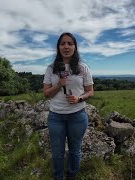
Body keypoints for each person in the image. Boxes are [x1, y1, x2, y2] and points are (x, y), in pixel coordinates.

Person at [43, 32, 94, 180]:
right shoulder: (51, 68)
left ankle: (72, 176)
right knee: (57, 152)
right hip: (56, 117)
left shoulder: (82, 68)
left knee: (75, 151)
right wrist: (58, 85)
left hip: (77, 116)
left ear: (75, 47)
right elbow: (46, 93)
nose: (66, 46)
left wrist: (79, 98)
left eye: (70, 43)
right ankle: (58, 177)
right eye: (63, 43)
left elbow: (90, 92)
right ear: (58, 47)